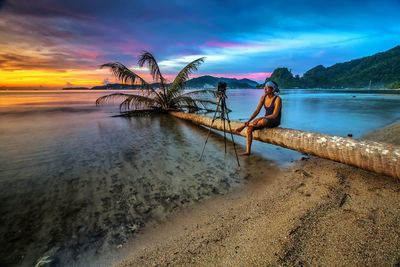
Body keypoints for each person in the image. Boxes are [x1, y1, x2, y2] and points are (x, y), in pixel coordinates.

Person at [235, 80, 282, 155]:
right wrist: (249, 120)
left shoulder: (277, 99)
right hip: (265, 120)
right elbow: (257, 110)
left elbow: (275, 115)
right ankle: (248, 151)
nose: (265, 89)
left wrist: (260, 118)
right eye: (264, 88)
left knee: (263, 121)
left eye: (267, 88)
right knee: (249, 129)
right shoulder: (263, 97)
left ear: (272, 89)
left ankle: (243, 126)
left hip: (274, 120)